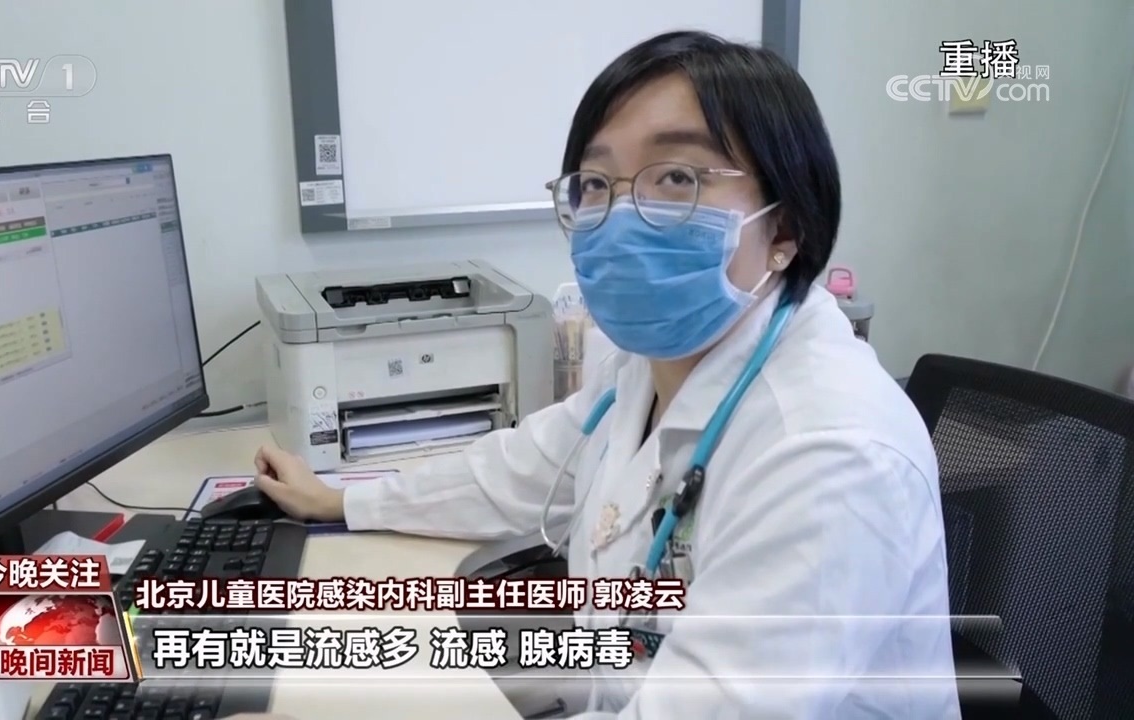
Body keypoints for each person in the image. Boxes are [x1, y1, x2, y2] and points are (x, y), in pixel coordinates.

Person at [231, 30, 958, 719]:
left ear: (786, 227)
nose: (621, 216)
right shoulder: (649, 366)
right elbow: (518, 469)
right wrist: (342, 502)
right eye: (596, 182)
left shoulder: (830, 453)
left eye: (676, 177)